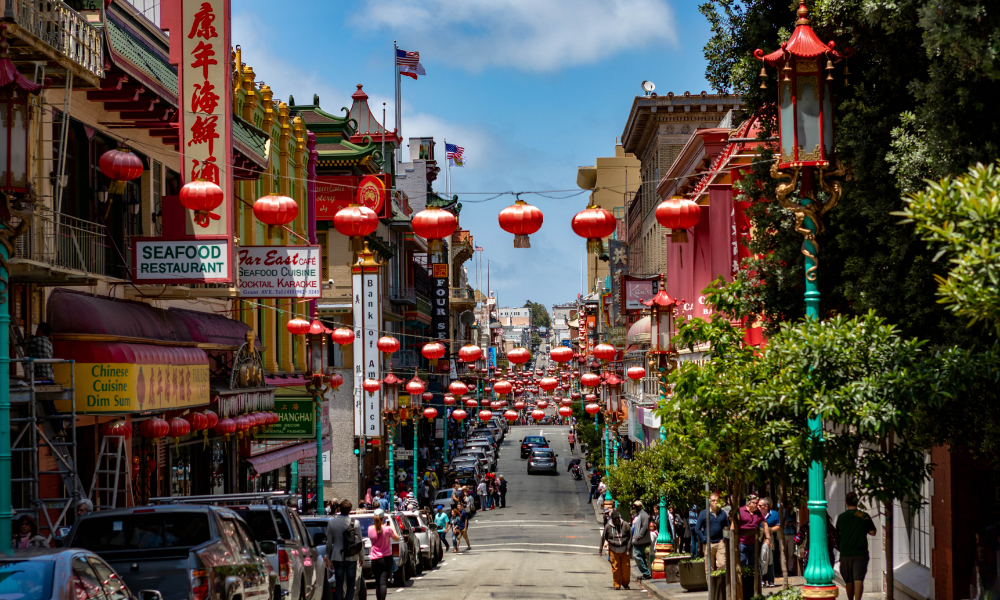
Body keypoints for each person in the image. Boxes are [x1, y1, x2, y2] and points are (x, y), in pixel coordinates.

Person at [835, 492, 877, 600]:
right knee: (858, 579)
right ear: (857, 502)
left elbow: (838, 533)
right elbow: (873, 532)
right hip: (860, 553)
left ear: (846, 503)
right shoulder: (863, 515)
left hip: (845, 553)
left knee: (849, 580)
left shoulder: (841, 517)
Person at [325, 500, 363, 600]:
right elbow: (359, 541)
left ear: (339, 509)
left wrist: (328, 557)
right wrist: (361, 556)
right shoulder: (355, 523)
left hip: (337, 556)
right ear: (350, 510)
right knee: (351, 583)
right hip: (352, 556)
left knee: (339, 583)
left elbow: (329, 542)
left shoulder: (332, 522)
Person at [367, 509, 399, 600]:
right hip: (386, 558)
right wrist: (392, 528)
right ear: (383, 518)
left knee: (377, 581)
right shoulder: (387, 529)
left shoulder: (370, 529)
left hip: (374, 559)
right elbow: (396, 538)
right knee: (383, 582)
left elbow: (377, 531)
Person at [696, 493, 730, 575]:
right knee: (709, 567)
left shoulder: (722, 513)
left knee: (722, 564)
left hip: (720, 543)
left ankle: (719, 584)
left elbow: (727, 527)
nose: (715, 502)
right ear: (709, 502)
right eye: (713, 500)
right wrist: (704, 540)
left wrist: (723, 539)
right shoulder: (704, 513)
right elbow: (697, 528)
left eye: (717, 501)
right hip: (709, 543)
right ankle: (711, 586)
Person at [733, 494, 770, 568]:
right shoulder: (739, 511)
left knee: (753, 564)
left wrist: (768, 538)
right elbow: (734, 522)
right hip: (741, 542)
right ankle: (743, 578)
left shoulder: (759, 512)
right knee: (742, 562)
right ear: (749, 503)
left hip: (754, 543)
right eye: (756, 503)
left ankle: (752, 578)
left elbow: (765, 524)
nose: (757, 505)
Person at [599, 509, 632, 590]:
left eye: (617, 519)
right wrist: (600, 549)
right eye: (614, 519)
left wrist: (628, 548)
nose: (616, 520)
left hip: (624, 549)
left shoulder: (625, 525)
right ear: (612, 519)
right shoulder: (608, 526)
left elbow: (630, 536)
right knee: (615, 568)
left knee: (626, 568)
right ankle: (617, 584)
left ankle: (625, 583)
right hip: (613, 549)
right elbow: (603, 537)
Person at [759, 498, 781, 586]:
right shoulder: (757, 514)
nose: (758, 507)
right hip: (759, 540)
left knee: (770, 560)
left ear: (766, 506)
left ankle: (771, 580)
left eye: (760, 505)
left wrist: (768, 530)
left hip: (771, 540)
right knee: (761, 559)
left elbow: (778, 526)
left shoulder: (774, 514)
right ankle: (762, 580)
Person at [630, 500, 653, 580]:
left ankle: (646, 572)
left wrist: (638, 536)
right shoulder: (639, 515)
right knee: (642, 557)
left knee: (636, 556)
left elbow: (645, 527)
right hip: (639, 539)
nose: (635, 508)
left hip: (640, 540)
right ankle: (646, 573)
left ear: (640, 507)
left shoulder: (644, 515)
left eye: (636, 507)